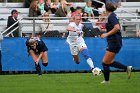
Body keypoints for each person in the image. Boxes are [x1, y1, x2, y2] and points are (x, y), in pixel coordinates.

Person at [100, 2, 132, 84]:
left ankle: (107, 81)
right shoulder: (112, 16)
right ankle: (126, 68)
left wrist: (106, 34)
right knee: (109, 62)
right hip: (115, 41)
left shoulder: (111, 16)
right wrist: (105, 31)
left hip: (114, 41)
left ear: (106, 9)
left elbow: (117, 28)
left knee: (105, 63)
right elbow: (116, 28)